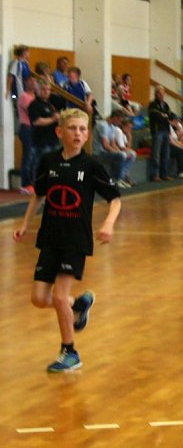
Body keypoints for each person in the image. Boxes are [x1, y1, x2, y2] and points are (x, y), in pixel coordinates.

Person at [12, 108, 122, 373]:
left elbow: (115, 199)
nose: (78, 133)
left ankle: (69, 352)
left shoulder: (92, 165)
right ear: (59, 132)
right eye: (72, 128)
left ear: (87, 135)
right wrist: (26, 223)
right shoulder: (49, 161)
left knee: (59, 297)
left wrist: (108, 223)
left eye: (83, 129)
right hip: (50, 237)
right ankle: (79, 304)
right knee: (39, 298)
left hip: (76, 239)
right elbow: (38, 194)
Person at [148, 86, 175, 182]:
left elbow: (171, 115)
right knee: (156, 154)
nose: (162, 95)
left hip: (166, 130)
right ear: (156, 94)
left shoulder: (166, 105)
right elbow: (156, 116)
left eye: (163, 93)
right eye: (160, 93)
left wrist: (165, 116)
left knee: (166, 153)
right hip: (157, 131)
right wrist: (165, 116)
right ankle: (154, 174)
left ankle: (164, 174)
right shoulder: (152, 105)